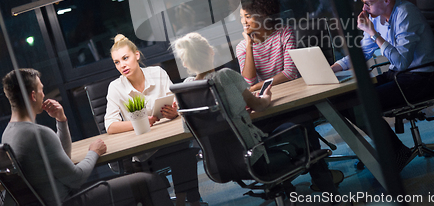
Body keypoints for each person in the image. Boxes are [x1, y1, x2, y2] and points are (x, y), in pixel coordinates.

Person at [172, 32, 341, 200]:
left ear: (185, 63)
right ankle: (332, 196)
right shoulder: (225, 76)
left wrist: (230, 115)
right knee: (302, 125)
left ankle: (288, 192)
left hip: (220, 166)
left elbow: (189, 128)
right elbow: (259, 105)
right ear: (211, 51)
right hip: (255, 160)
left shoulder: (186, 89)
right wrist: (266, 96)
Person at [1, 68, 173, 206]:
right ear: (33, 95)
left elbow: (63, 157)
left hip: (50, 200)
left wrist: (61, 120)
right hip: (71, 200)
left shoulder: (8, 134)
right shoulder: (38, 133)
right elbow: (76, 178)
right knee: (151, 182)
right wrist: (94, 152)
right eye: (41, 90)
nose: (43, 95)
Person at [331, 0, 434, 170]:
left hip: (420, 78)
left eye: (368, 3)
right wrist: (334, 68)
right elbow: (361, 53)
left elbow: (401, 62)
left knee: (361, 107)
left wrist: (373, 33)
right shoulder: (379, 17)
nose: (364, 8)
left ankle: (396, 153)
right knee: (346, 101)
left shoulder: (406, 14)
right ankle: (389, 151)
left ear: (386, 0)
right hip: (399, 76)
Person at [105, 34, 201, 206]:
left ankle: (184, 203)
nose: (122, 65)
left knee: (184, 152)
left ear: (136, 55)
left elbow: (176, 104)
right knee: (182, 154)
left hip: (168, 142)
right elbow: (110, 126)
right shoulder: (115, 87)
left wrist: (174, 112)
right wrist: (140, 122)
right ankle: (183, 202)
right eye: (117, 62)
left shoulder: (157, 73)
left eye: (125, 58)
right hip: (144, 153)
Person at [233, 0, 299, 93]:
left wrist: (256, 87)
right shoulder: (242, 47)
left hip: (292, 90)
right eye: (241, 17)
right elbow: (249, 81)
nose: (243, 22)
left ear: (263, 14)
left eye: (248, 16)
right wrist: (249, 45)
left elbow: (290, 73)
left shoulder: (284, 33)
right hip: (267, 95)